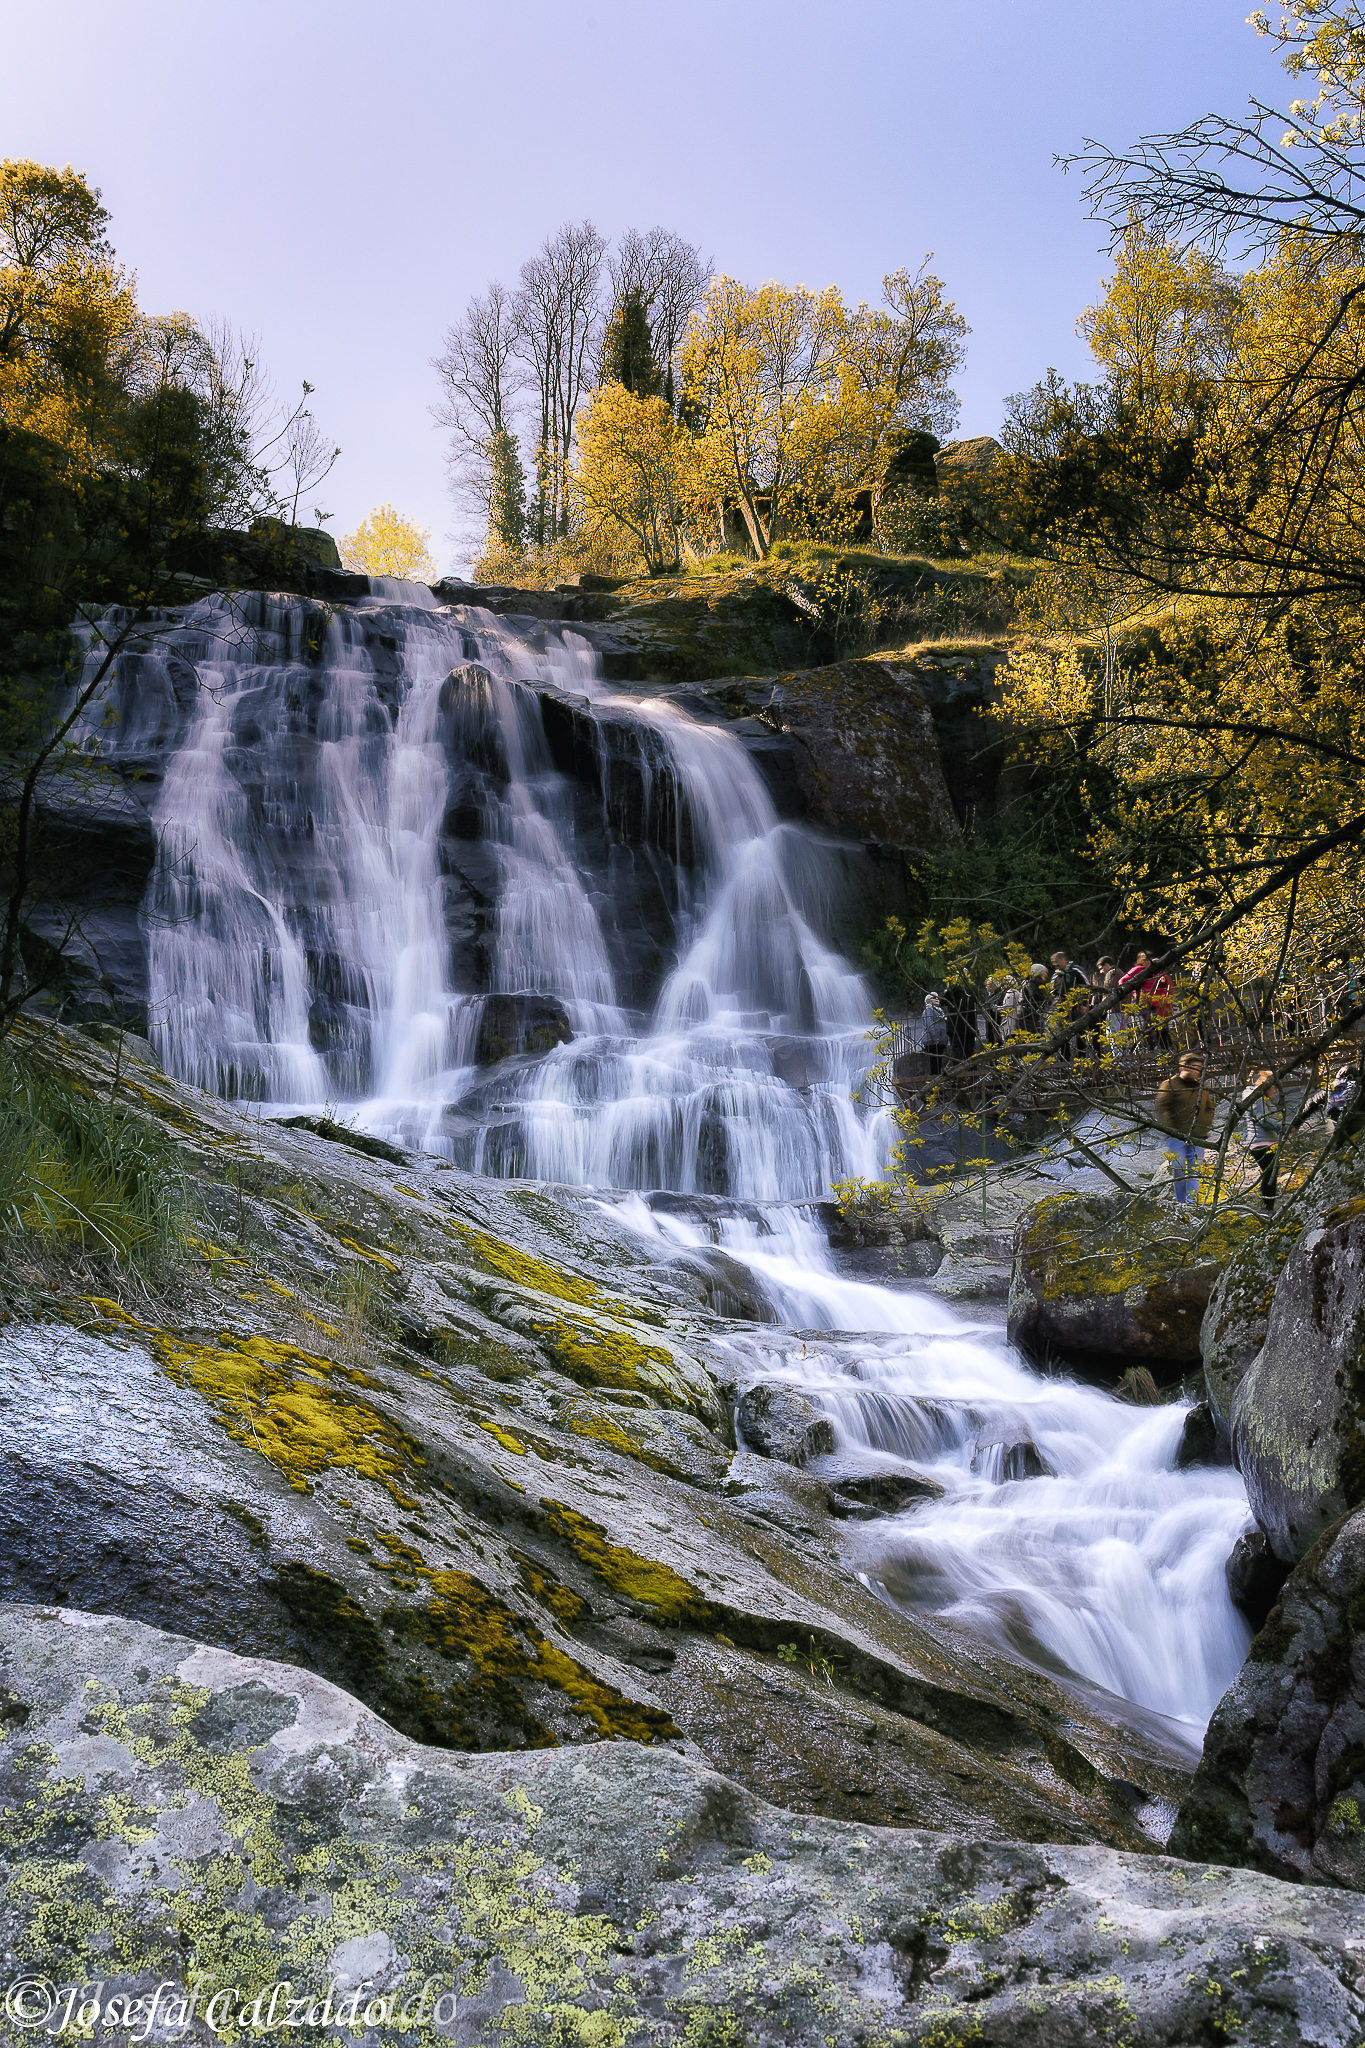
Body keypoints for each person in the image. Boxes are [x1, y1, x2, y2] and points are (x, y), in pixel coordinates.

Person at [1155, 1052, 1217, 1203]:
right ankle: (1181, 1201)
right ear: (1184, 1067)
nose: (1198, 1071)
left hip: (1198, 1136)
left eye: (1200, 1068)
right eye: (1195, 1067)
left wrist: (1206, 1122)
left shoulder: (1202, 1086)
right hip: (1177, 1137)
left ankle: (1191, 1202)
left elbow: (1210, 1107)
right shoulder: (1170, 1084)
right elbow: (1161, 1108)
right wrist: (1170, 1130)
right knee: (1180, 1170)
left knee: (1195, 1171)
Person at [1239, 1069, 1290, 1212]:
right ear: (1267, 1085)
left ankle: (1268, 1206)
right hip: (1261, 1142)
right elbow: (1263, 1119)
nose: (1276, 1091)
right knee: (1270, 1174)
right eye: (1274, 1087)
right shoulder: (1257, 1098)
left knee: (1270, 1173)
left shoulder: (1263, 1099)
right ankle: (1268, 1208)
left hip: (1266, 1142)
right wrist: (1281, 1127)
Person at [921, 990, 948, 1075]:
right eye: (934, 997)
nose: (937, 999)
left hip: (939, 1039)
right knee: (934, 1061)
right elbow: (930, 1023)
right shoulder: (929, 1009)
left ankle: (937, 1078)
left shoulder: (938, 1010)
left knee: (938, 1060)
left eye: (937, 997)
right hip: (933, 1040)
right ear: (929, 1000)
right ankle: (934, 1079)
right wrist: (935, 1036)